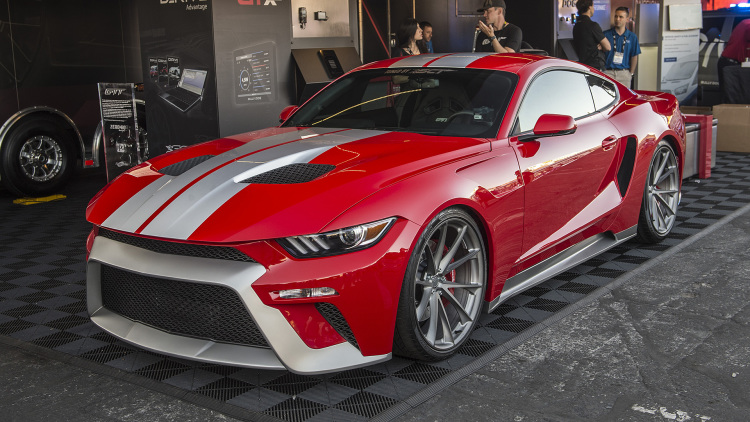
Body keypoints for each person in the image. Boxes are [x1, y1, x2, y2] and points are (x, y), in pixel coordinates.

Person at [603, 7, 641, 87]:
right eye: (616, 16)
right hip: (608, 73)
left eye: (621, 17)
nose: (617, 19)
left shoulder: (632, 37)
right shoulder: (606, 35)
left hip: (624, 74)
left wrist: (631, 73)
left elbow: (634, 56)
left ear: (627, 19)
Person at [573, 0, 611, 71]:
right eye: (593, 6)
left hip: (582, 66)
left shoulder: (576, 26)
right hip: (595, 67)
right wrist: (601, 46)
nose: (594, 9)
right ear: (589, 7)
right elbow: (608, 47)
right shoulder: (593, 25)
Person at [718, 19, 750, 102]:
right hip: (730, 65)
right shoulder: (748, 25)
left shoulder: (746, 22)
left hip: (732, 63)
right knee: (730, 97)